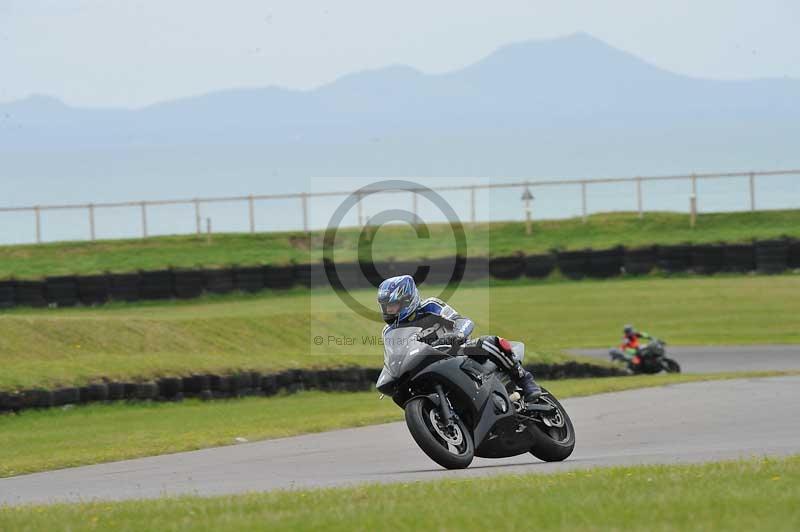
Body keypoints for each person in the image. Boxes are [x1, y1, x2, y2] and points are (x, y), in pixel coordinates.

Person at [377, 274, 542, 403]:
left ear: (408, 300)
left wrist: (457, 334)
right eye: (386, 307)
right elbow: (392, 356)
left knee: (488, 342)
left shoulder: (430, 306)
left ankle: (525, 380)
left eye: (393, 306)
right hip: (423, 364)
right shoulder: (388, 331)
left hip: (455, 350)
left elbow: (462, 321)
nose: (389, 310)